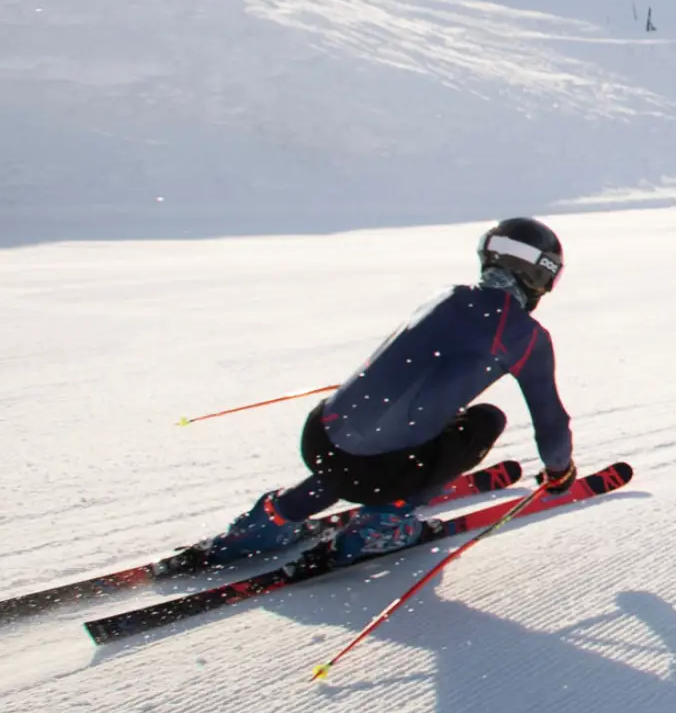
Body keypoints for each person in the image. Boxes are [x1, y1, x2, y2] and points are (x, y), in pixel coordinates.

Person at [193, 218, 575, 569]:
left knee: (365, 438)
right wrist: (559, 471)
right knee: (487, 419)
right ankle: (383, 523)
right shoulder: (527, 337)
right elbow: (550, 422)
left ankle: (273, 518)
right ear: (541, 275)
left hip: (320, 440)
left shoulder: (445, 296)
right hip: (381, 473)